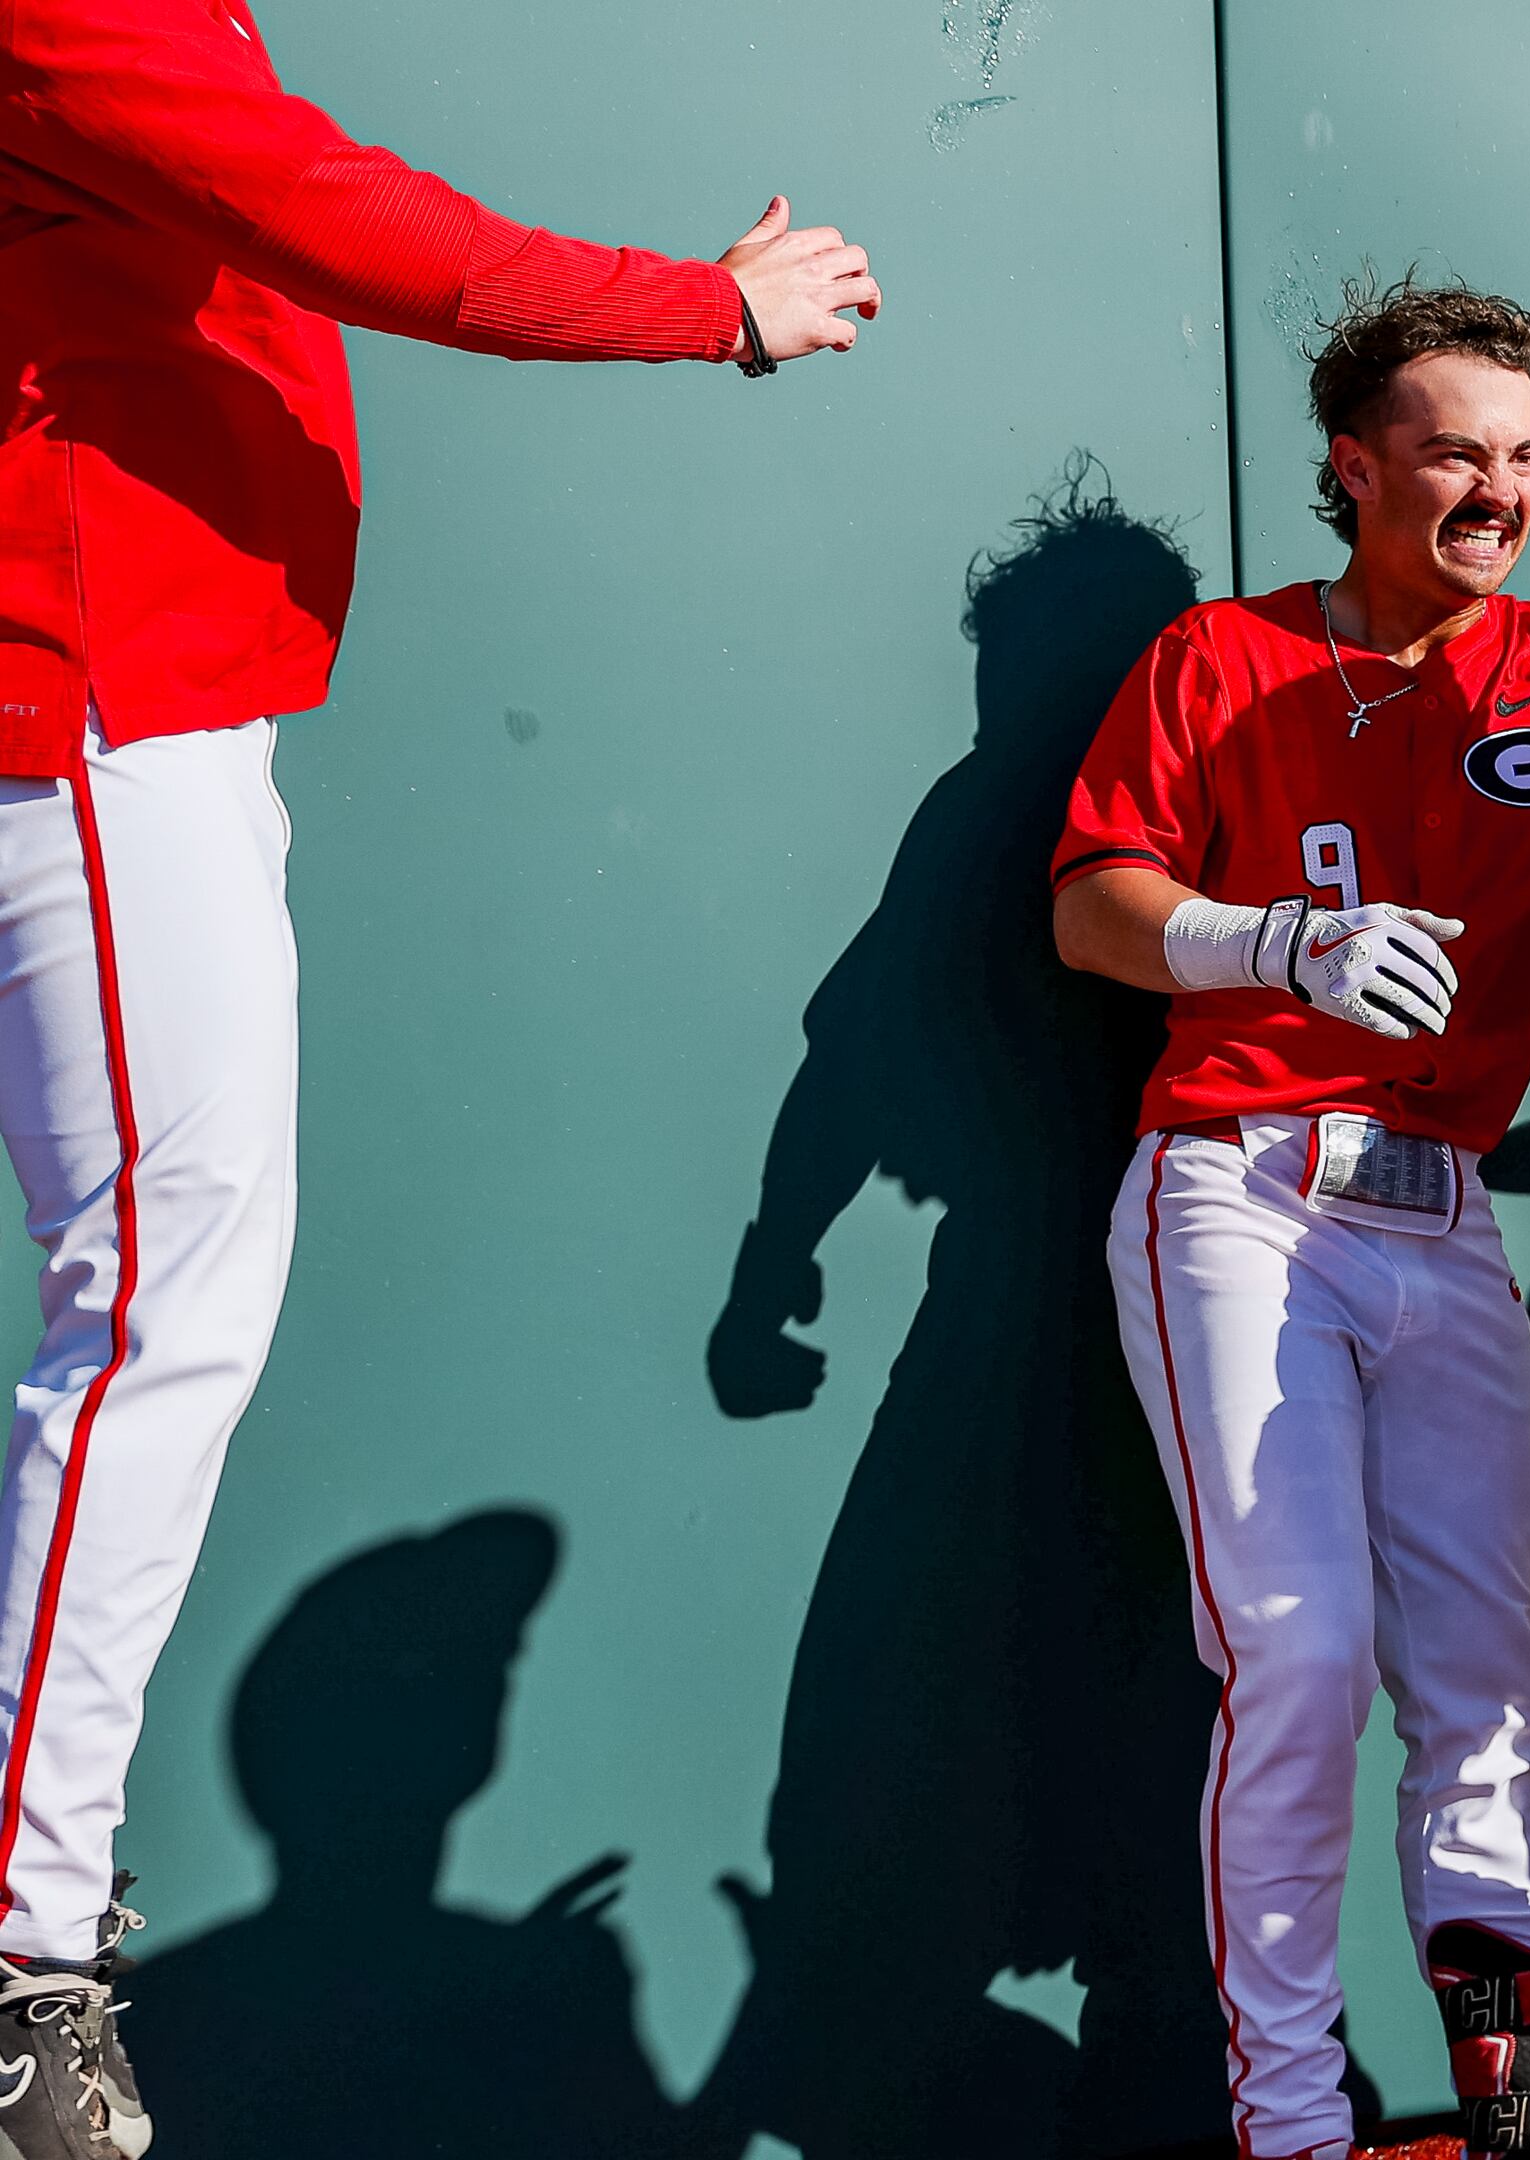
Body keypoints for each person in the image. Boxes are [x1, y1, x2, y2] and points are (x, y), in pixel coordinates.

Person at [0, 5, 877, 2153]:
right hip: (90, 695)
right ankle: (22, 1955)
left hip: (145, 692)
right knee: (161, 1298)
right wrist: (709, 313)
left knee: (156, 1297)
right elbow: (350, 228)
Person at [1051, 282, 1530, 2160]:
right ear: (1353, 465)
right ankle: (1294, 2117)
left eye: (1523, 457)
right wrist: (1277, 943)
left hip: (1443, 1220)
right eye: (1452, 455)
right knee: (1303, 1653)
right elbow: (1091, 907)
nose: (1496, 491)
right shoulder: (1217, 654)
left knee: (1493, 1682)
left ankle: (1512, 2099)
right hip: (1238, 1195)